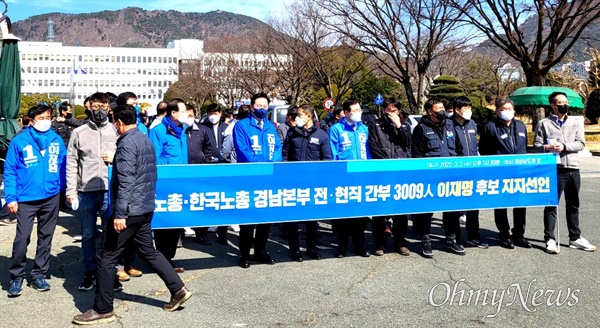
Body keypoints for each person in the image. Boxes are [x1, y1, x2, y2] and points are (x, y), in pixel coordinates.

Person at [72, 105, 192, 325]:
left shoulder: (126, 143)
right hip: (144, 208)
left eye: (114, 123)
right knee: (149, 252)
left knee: (107, 257)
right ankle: (178, 289)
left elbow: (126, 181)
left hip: (129, 211)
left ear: (118, 122)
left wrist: (119, 214)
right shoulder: (144, 138)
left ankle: (102, 309)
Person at [66, 92, 135, 291]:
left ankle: (110, 273)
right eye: (95, 105)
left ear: (109, 107)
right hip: (86, 190)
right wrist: (71, 190)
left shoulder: (116, 130)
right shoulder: (78, 132)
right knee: (88, 234)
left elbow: (127, 156)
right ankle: (89, 272)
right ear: (88, 107)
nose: (99, 109)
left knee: (110, 234)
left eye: (103, 105)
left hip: (110, 190)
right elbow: (71, 163)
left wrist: (115, 157)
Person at [5, 104, 67, 297]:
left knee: (46, 238)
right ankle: (16, 275)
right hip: (25, 198)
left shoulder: (56, 140)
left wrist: (64, 189)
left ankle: (39, 274)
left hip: (51, 196)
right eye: (41, 118)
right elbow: (10, 170)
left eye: (48, 117)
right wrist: (11, 197)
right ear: (31, 121)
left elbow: (63, 166)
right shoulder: (19, 141)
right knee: (22, 238)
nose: (45, 121)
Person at [533, 92, 596, 254]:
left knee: (573, 205)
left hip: (573, 169)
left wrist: (565, 146)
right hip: (554, 169)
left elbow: (581, 144)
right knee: (551, 205)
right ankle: (550, 239)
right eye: (561, 102)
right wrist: (548, 147)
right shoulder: (544, 123)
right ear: (553, 105)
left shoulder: (575, 122)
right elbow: (537, 146)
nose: (564, 105)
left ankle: (575, 237)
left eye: (566, 102)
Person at [233, 92, 282, 268]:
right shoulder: (242, 126)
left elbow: (277, 147)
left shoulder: (270, 127)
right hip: (250, 177)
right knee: (248, 218)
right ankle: (244, 254)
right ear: (252, 106)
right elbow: (242, 150)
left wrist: (272, 165)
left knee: (265, 218)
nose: (262, 108)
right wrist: (260, 166)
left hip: (268, 178)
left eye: (265, 105)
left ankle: (261, 250)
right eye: (259, 105)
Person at [411, 98, 461, 258]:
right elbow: (417, 155)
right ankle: (425, 241)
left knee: (451, 210)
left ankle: (450, 240)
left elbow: (458, 149)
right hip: (430, 176)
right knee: (427, 210)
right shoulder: (421, 129)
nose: (442, 110)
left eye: (443, 108)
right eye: (438, 108)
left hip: (450, 175)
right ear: (430, 111)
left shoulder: (450, 125)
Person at [479, 98, 531, 249]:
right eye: (503, 109)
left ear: (514, 110)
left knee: (520, 203)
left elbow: (525, 148)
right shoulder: (490, 126)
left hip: (520, 171)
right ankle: (504, 234)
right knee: (501, 204)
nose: (507, 111)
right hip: (499, 172)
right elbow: (484, 150)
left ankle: (519, 234)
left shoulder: (520, 126)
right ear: (497, 111)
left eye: (509, 108)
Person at [282, 104, 331, 261]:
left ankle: (312, 248)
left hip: (313, 183)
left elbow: (327, 160)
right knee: (293, 219)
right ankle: (295, 250)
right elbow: (285, 155)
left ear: (309, 116)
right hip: (293, 182)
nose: (297, 118)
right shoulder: (292, 133)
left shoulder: (322, 135)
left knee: (311, 219)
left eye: (300, 115)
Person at [149, 98, 190, 272]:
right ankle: (162, 260)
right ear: (173, 113)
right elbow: (155, 157)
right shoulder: (158, 131)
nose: (187, 115)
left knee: (176, 222)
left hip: (180, 181)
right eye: (183, 111)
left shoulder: (182, 129)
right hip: (164, 182)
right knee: (163, 223)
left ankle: (169, 259)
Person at [366, 98, 410, 256]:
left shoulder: (405, 125)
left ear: (398, 111)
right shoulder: (375, 125)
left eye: (394, 110)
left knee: (400, 211)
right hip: (382, 171)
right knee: (380, 210)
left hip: (400, 172)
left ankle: (400, 242)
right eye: (388, 110)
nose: (390, 113)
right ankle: (379, 243)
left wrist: (399, 125)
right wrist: (385, 164)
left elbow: (407, 144)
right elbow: (373, 145)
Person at [329, 99, 371, 258]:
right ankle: (342, 246)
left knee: (360, 215)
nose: (358, 112)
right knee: (344, 215)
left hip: (361, 176)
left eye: (359, 109)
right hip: (344, 177)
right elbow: (333, 155)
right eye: (355, 110)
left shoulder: (364, 129)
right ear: (346, 113)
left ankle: (359, 246)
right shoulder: (336, 129)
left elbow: (368, 152)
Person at [450, 96, 489, 249]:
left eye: (470, 107)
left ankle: (473, 235)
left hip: (473, 169)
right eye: (466, 108)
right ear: (457, 110)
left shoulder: (472, 123)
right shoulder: (448, 124)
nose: (469, 111)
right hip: (456, 170)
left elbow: (474, 145)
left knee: (473, 205)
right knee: (455, 206)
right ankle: (455, 237)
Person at [192, 104, 229, 245]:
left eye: (215, 113)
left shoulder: (226, 128)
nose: (213, 116)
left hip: (224, 167)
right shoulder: (202, 128)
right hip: (207, 167)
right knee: (206, 201)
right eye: (210, 113)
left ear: (220, 113)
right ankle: (201, 233)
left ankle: (223, 232)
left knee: (224, 201)